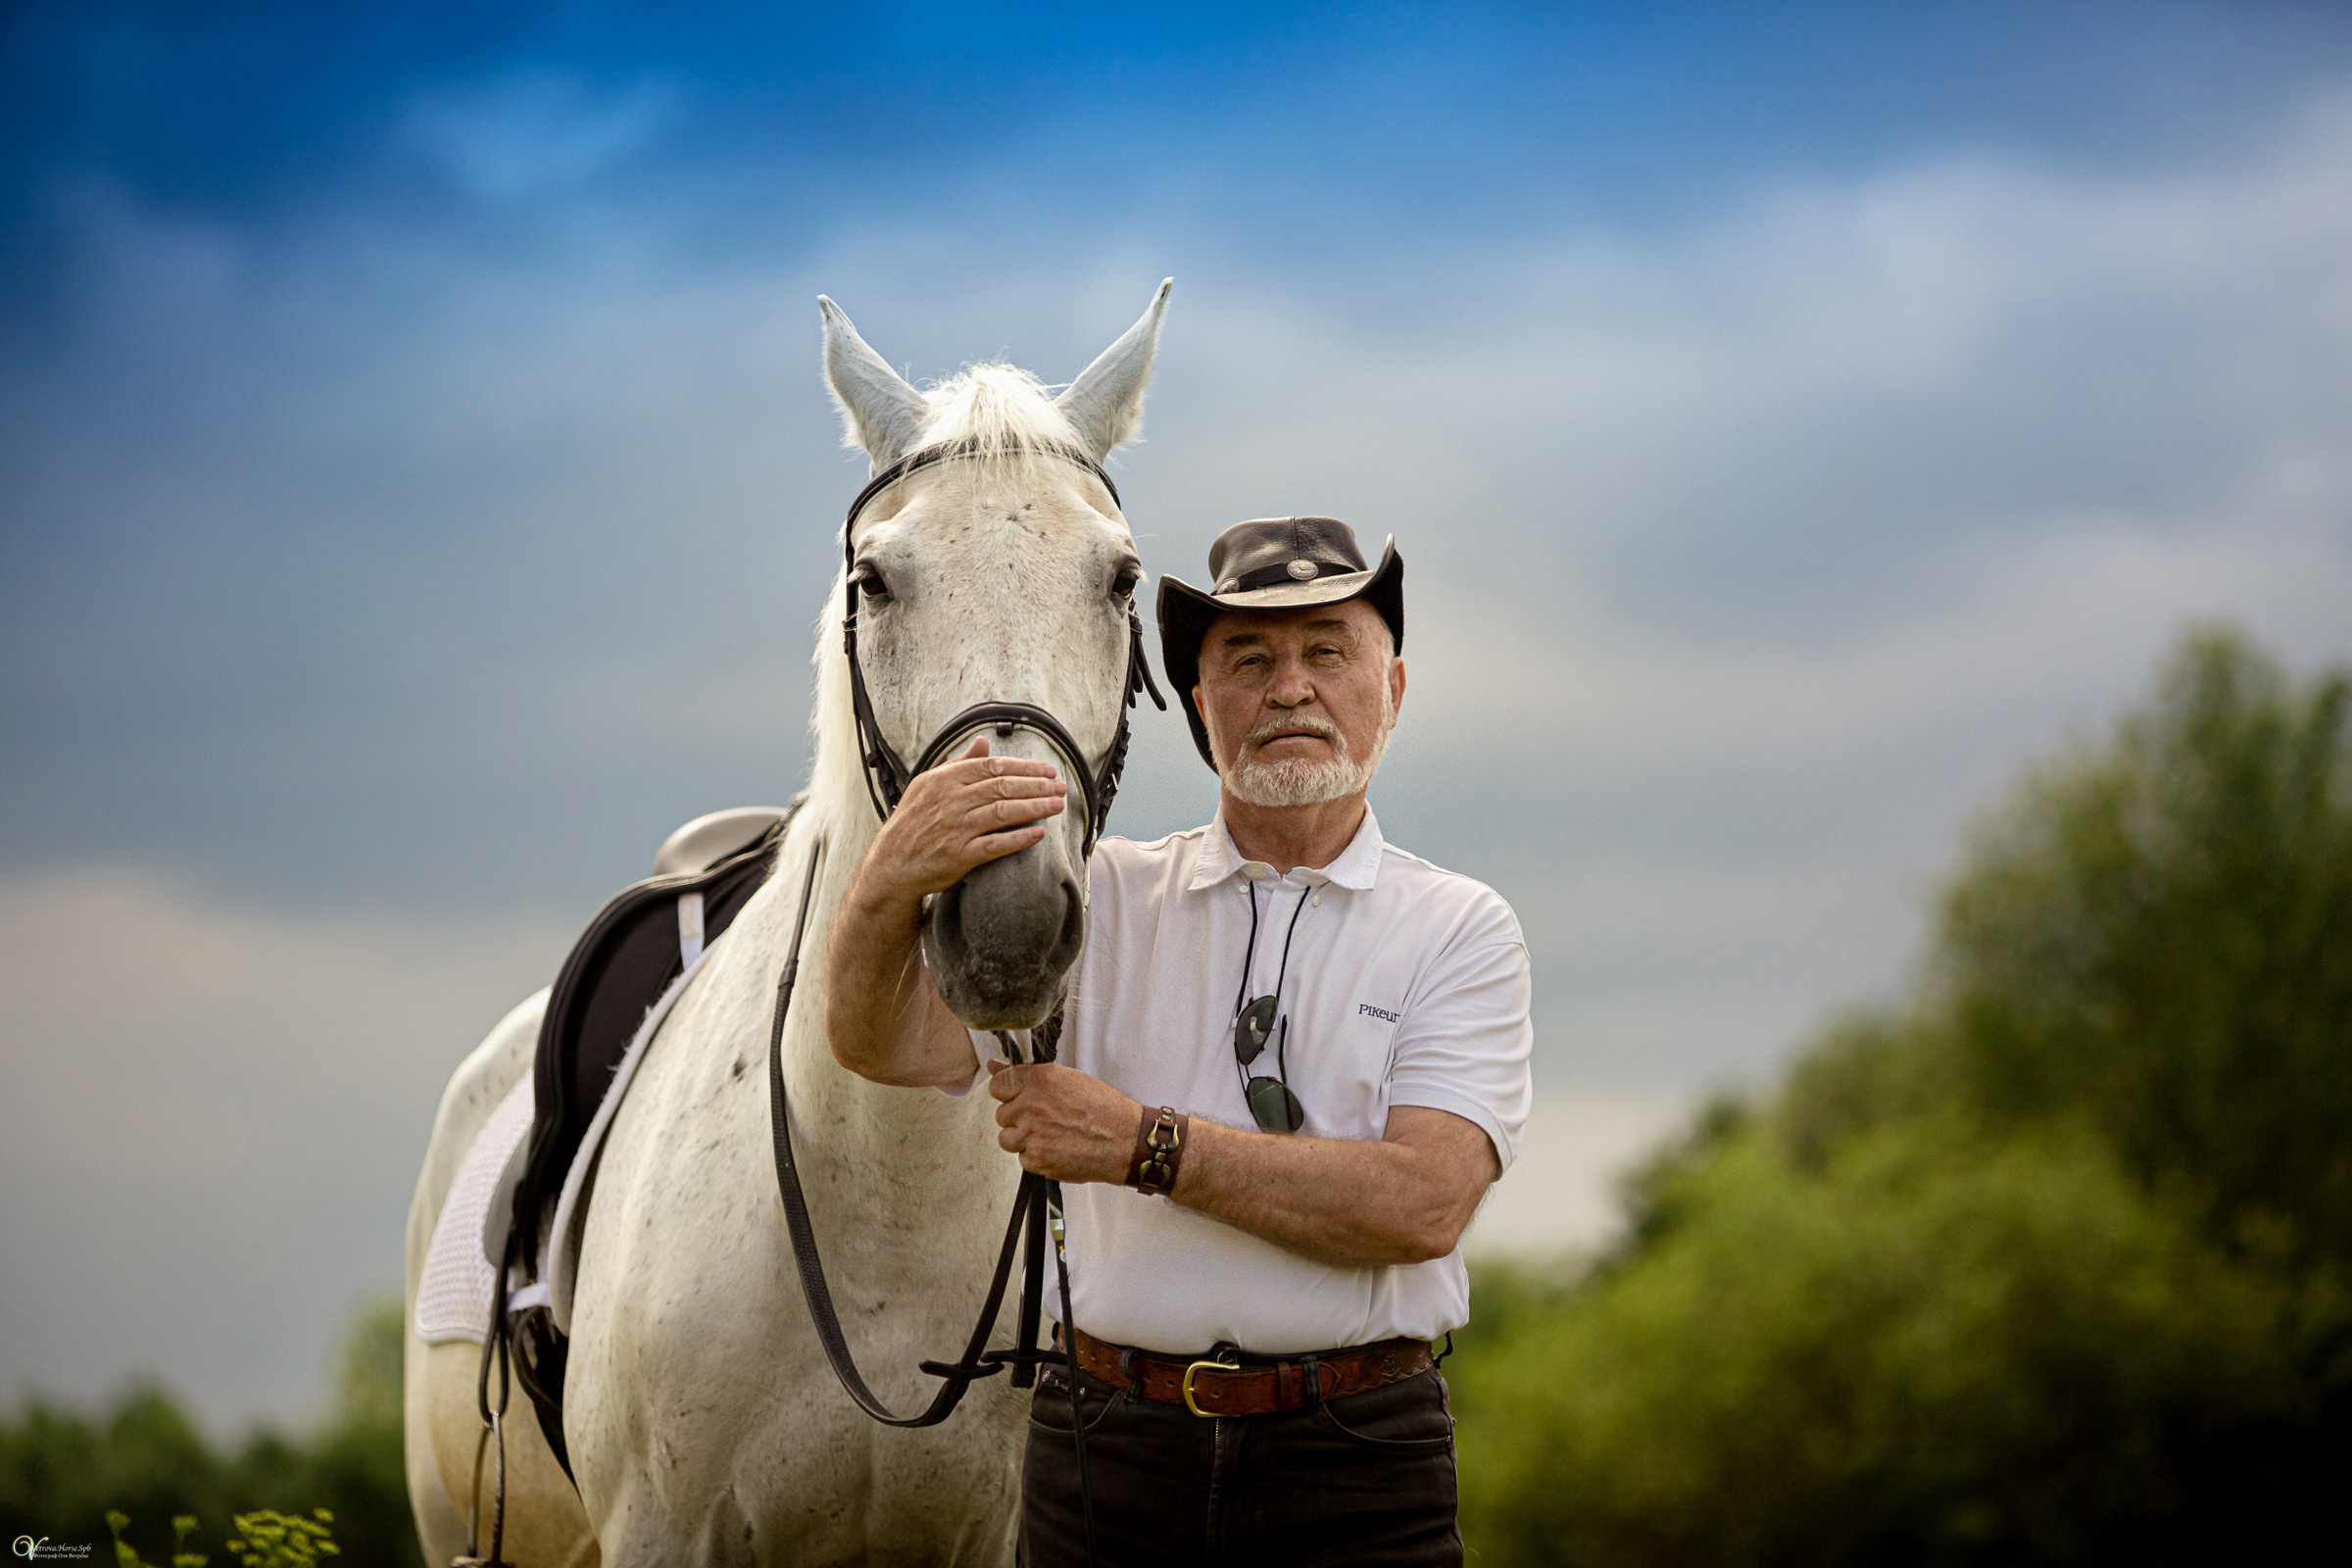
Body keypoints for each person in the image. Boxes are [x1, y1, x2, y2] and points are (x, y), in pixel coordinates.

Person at [825, 516, 1533, 1567]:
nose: (1289, 689)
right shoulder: (1101, 896)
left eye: (1327, 651)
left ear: (1391, 690)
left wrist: (1142, 1145)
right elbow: (883, 1045)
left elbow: (1422, 1204)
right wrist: (888, 876)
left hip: (1356, 1458)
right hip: (1107, 1447)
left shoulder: (1461, 926)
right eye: (1248, 661)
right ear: (1201, 706)